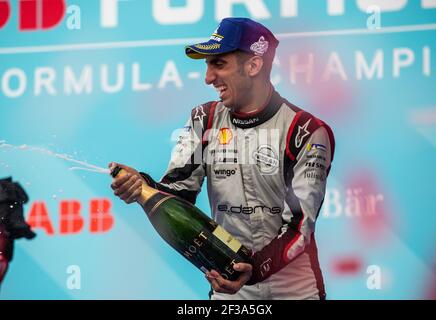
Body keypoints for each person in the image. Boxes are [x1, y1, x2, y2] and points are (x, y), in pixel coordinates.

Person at [110, 17, 335, 300]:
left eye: (218, 64)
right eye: (207, 65)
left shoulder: (306, 131)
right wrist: (140, 185)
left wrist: (253, 270)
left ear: (254, 65)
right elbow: (177, 194)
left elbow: (299, 228)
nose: (208, 78)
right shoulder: (203, 119)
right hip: (231, 289)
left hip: (295, 290)